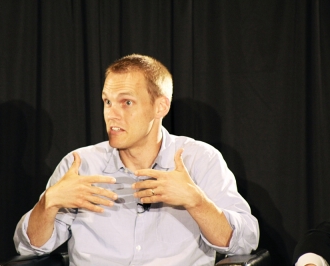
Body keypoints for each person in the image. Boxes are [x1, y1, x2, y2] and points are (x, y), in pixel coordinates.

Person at [13, 54, 259, 265]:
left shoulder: (200, 160)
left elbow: (244, 243)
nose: (111, 114)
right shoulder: (80, 165)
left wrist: (195, 201)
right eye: (107, 102)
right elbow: (30, 248)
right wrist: (49, 203)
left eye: (126, 102)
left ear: (160, 107)